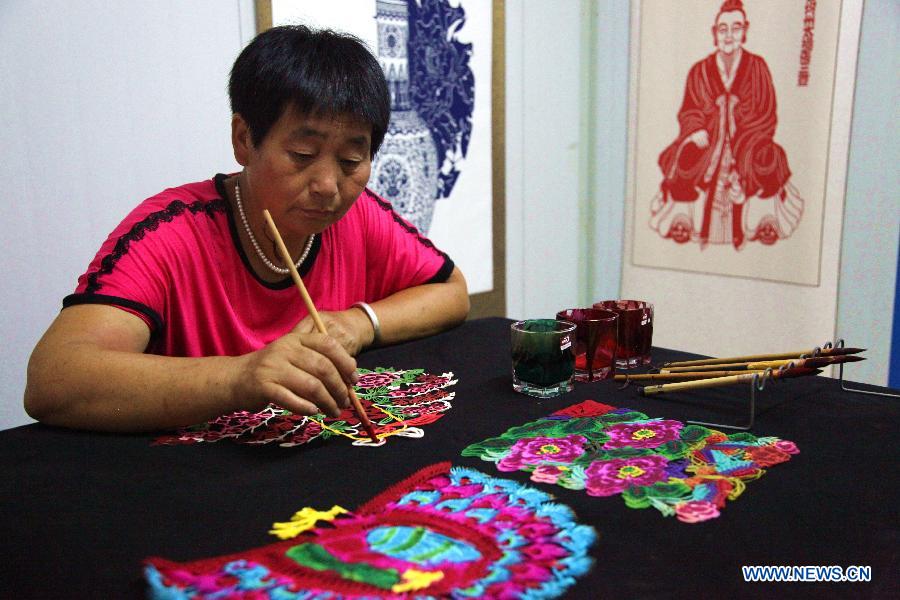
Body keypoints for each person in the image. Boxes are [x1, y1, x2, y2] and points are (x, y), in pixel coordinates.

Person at [24, 25, 469, 432]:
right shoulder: (170, 232)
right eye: (301, 154)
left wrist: (359, 323)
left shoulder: (358, 216)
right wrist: (242, 376)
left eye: (352, 161)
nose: (328, 186)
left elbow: (451, 292)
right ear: (243, 140)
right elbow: (55, 379)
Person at [649, 0, 803, 249]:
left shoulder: (758, 67)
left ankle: (761, 223)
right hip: (708, 142)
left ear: (745, 31)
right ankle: (684, 223)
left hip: (748, 141)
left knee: (769, 161)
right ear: (714, 33)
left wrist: (739, 127)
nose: (729, 35)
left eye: (736, 28)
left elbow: (766, 113)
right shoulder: (699, 71)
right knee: (682, 161)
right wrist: (696, 129)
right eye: (723, 29)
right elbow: (689, 109)